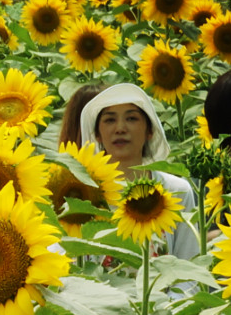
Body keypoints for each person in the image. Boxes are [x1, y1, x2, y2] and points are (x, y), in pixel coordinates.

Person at [79, 83, 199, 259]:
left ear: (149, 130)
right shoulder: (86, 193)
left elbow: (191, 270)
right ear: (97, 134)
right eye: (110, 120)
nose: (120, 128)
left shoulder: (176, 190)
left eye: (132, 118)